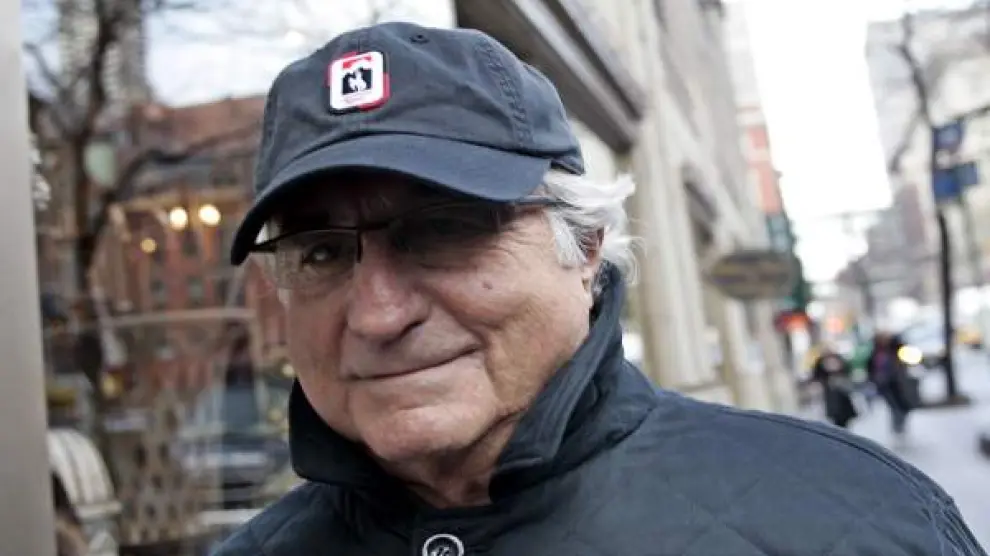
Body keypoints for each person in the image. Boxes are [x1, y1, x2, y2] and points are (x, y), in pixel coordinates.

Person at [213, 22, 985, 555]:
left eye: (443, 229)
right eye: (321, 252)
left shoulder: (855, 520)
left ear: (584, 249)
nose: (379, 314)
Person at [866, 332, 916, 438]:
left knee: (903, 405)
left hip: (898, 383)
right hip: (884, 385)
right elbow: (870, 368)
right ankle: (897, 426)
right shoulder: (875, 352)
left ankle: (900, 424)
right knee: (893, 406)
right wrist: (874, 379)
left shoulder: (895, 349)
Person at [810, 346, 858, 428]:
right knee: (836, 419)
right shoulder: (821, 364)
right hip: (831, 397)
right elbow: (817, 376)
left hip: (843, 397)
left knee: (844, 419)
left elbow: (848, 374)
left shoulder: (840, 361)